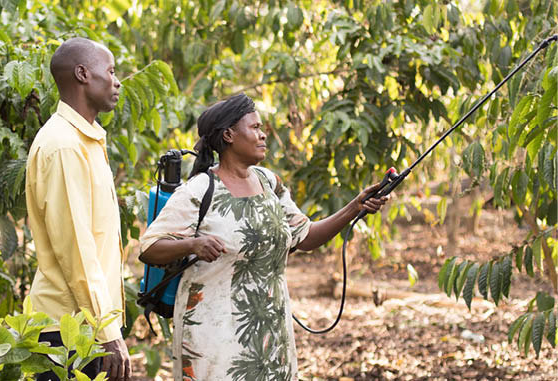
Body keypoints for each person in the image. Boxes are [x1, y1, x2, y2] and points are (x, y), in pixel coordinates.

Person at [139, 93, 388, 380]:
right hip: (214, 334)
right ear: (229, 135)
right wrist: (194, 244)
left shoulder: (269, 182)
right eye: (255, 128)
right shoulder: (199, 190)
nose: (263, 135)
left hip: (271, 332)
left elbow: (304, 236)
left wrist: (353, 207)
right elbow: (150, 248)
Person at [25, 37, 131, 381]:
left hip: (84, 325)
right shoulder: (64, 146)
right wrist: (108, 330)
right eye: (111, 71)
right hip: (66, 331)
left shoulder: (85, 140)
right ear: (83, 74)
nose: (117, 81)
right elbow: (77, 249)